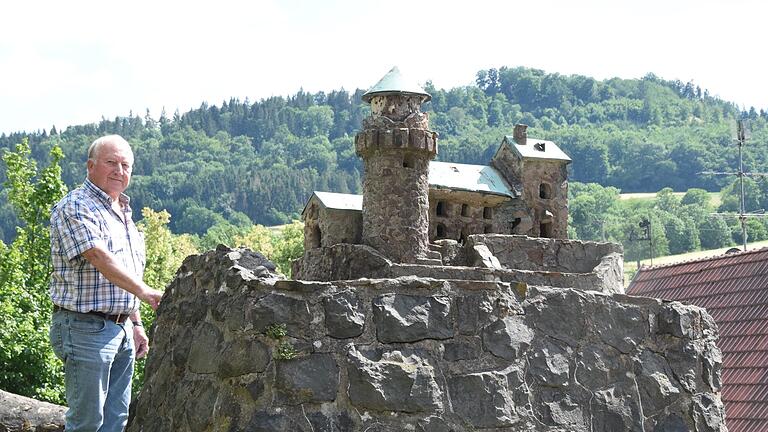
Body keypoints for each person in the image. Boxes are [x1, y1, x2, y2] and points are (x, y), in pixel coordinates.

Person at [48, 135, 163, 431]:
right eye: (111, 162)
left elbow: (126, 271)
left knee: (115, 421)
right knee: (87, 423)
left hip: (122, 329)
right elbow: (99, 257)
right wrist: (145, 291)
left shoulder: (123, 211)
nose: (119, 170)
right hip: (86, 328)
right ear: (90, 166)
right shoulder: (75, 206)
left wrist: (135, 323)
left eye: (125, 165)